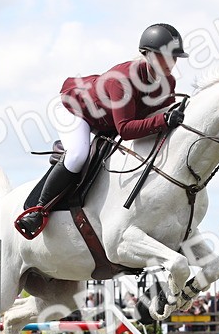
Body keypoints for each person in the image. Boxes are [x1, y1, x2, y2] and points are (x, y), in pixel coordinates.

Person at [15, 23, 189, 239]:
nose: (172, 63)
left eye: (175, 57)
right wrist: (164, 119)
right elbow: (125, 129)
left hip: (107, 118)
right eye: (166, 56)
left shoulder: (168, 82)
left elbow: (158, 122)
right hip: (75, 109)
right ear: (147, 55)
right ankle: (39, 210)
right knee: (79, 154)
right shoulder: (122, 80)